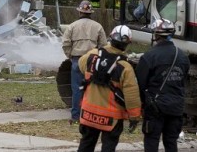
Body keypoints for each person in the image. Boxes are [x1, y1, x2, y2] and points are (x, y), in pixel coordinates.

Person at [77, 25, 142, 152]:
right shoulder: (125, 67)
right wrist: (134, 118)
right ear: (127, 43)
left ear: (110, 38)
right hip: (111, 119)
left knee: (85, 145)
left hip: (88, 114)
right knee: (108, 147)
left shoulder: (92, 55)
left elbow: (80, 64)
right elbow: (132, 96)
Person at [135, 18, 190, 152]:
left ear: (156, 35)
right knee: (171, 142)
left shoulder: (149, 56)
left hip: (155, 108)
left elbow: (140, 84)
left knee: (151, 141)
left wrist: (142, 105)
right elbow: (183, 80)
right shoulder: (182, 56)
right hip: (176, 108)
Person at [62, 0, 107, 124]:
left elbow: (65, 43)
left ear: (80, 12)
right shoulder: (98, 26)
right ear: (90, 13)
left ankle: (76, 117)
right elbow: (103, 45)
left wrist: (70, 56)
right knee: (93, 89)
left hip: (77, 60)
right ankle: (92, 116)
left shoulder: (72, 26)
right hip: (93, 60)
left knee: (77, 89)